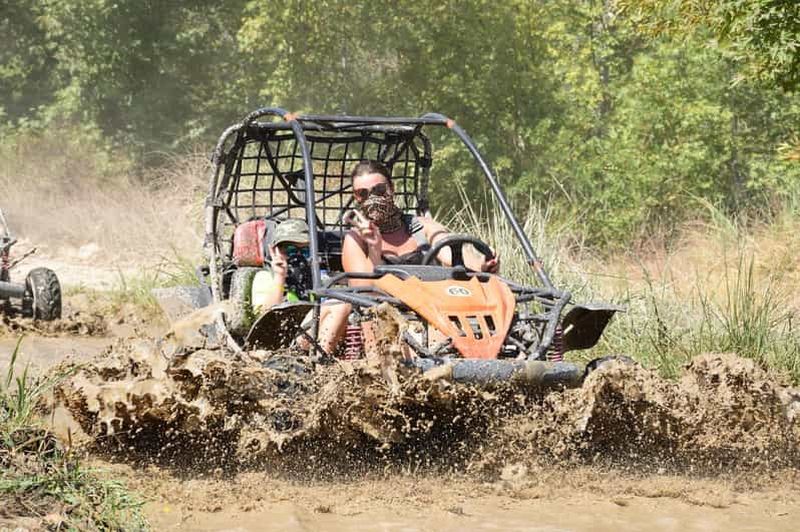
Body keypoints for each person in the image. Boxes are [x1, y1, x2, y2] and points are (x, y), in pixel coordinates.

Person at [341, 160, 499, 278]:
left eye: (379, 190)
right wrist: (374, 249)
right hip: (383, 313)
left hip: (432, 307)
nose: (372, 198)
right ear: (356, 197)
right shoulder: (356, 239)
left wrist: (482, 265)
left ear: (392, 189)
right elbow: (361, 288)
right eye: (363, 193)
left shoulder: (421, 226)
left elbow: (449, 250)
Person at [251, 218, 349, 354]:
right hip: (281, 341)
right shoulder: (265, 277)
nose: (298, 257)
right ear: (274, 250)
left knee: (348, 305)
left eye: (305, 251)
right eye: (290, 250)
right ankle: (322, 365)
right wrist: (280, 275)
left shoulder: (317, 276)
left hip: (311, 334)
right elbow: (266, 318)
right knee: (339, 306)